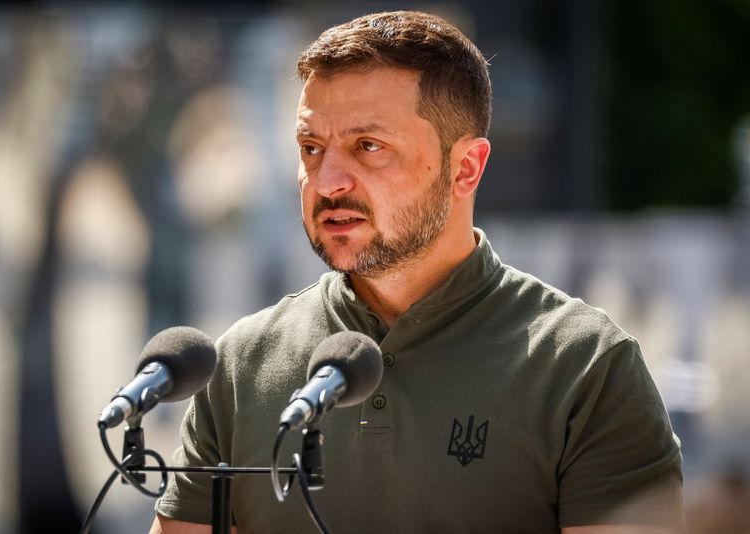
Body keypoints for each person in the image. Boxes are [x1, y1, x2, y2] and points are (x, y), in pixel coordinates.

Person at [151, 10, 684, 533]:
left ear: (466, 167)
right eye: (311, 148)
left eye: (369, 146)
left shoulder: (586, 368)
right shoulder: (239, 367)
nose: (328, 180)